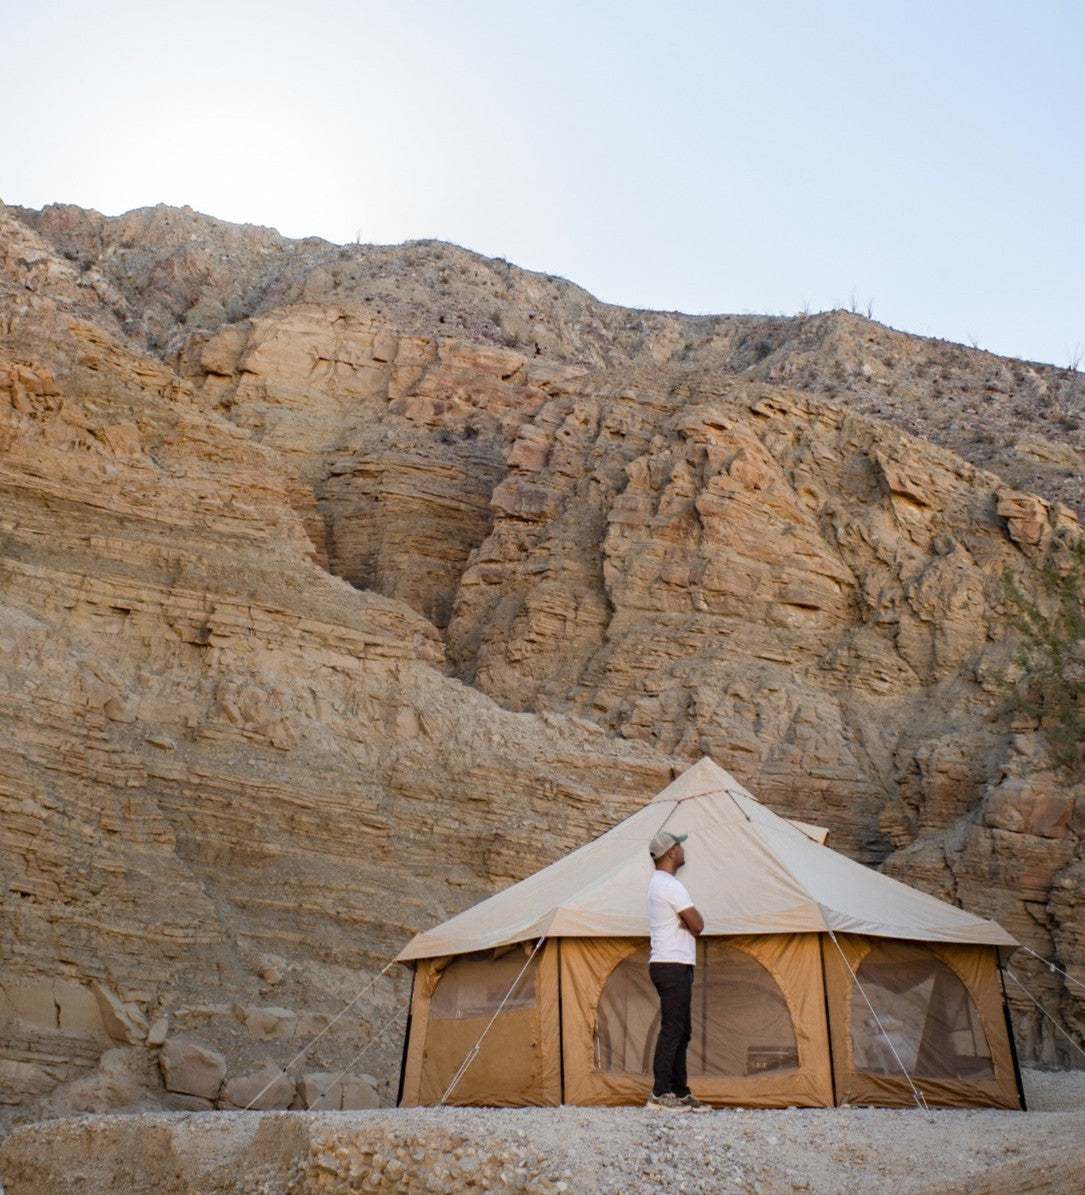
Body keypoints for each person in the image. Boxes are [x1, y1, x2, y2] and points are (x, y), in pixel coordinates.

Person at [646, 829, 709, 1111]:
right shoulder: (670, 885)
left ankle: (680, 1091)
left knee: (682, 1030)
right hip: (672, 963)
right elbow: (697, 924)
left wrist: (688, 921)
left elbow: (692, 923)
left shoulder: (659, 883)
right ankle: (660, 1094)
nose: (683, 850)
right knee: (673, 1029)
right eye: (680, 846)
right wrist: (689, 921)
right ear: (670, 852)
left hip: (674, 963)